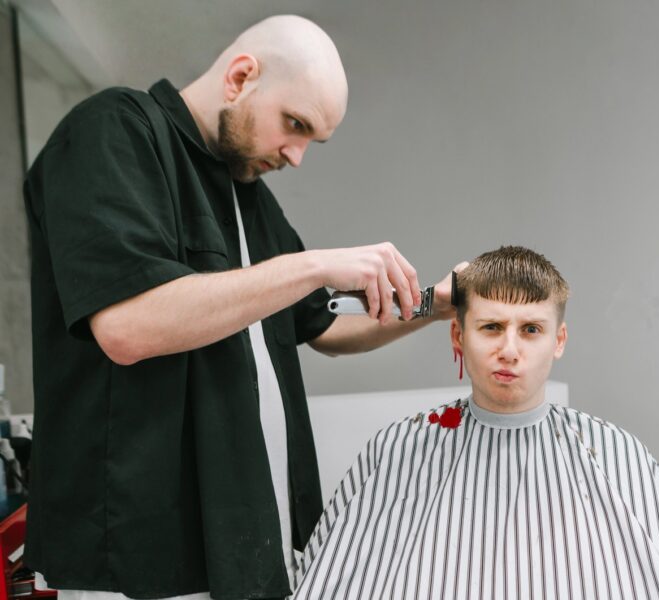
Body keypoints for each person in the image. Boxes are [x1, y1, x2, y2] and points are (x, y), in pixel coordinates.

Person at [23, 14, 457, 600]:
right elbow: (127, 327)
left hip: (247, 545)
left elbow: (325, 324)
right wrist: (314, 264)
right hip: (141, 557)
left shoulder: (246, 191)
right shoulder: (114, 130)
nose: (297, 156)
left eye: (312, 140)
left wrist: (438, 304)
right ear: (241, 77)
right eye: (295, 124)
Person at [293, 246, 659, 600]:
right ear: (458, 335)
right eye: (492, 327)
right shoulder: (397, 449)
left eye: (531, 329)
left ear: (558, 341)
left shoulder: (617, 456)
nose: (510, 350)